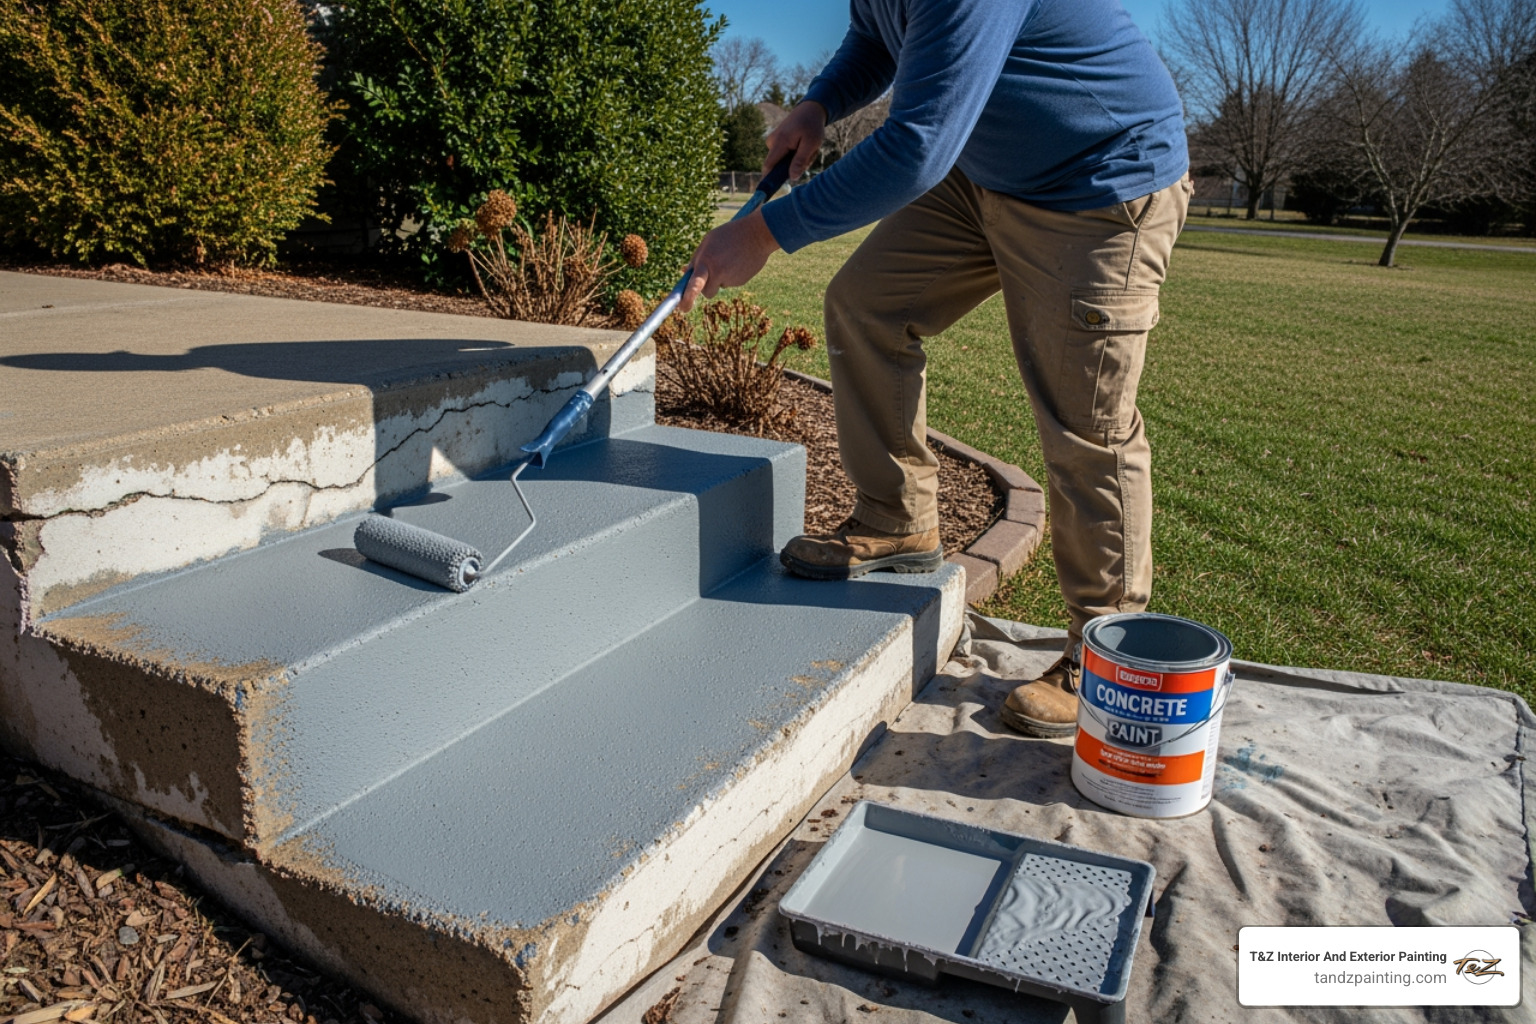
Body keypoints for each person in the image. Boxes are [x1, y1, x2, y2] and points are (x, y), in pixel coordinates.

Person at [680, 0, 1190, 738]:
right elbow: (878, 32)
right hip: (985, 171)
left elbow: (917, 146)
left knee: (1086, 421)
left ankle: (1109, 653)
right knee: (866, 306)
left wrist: (764, 231)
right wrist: (820, 102)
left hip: (1098, 184)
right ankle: (897, 522)